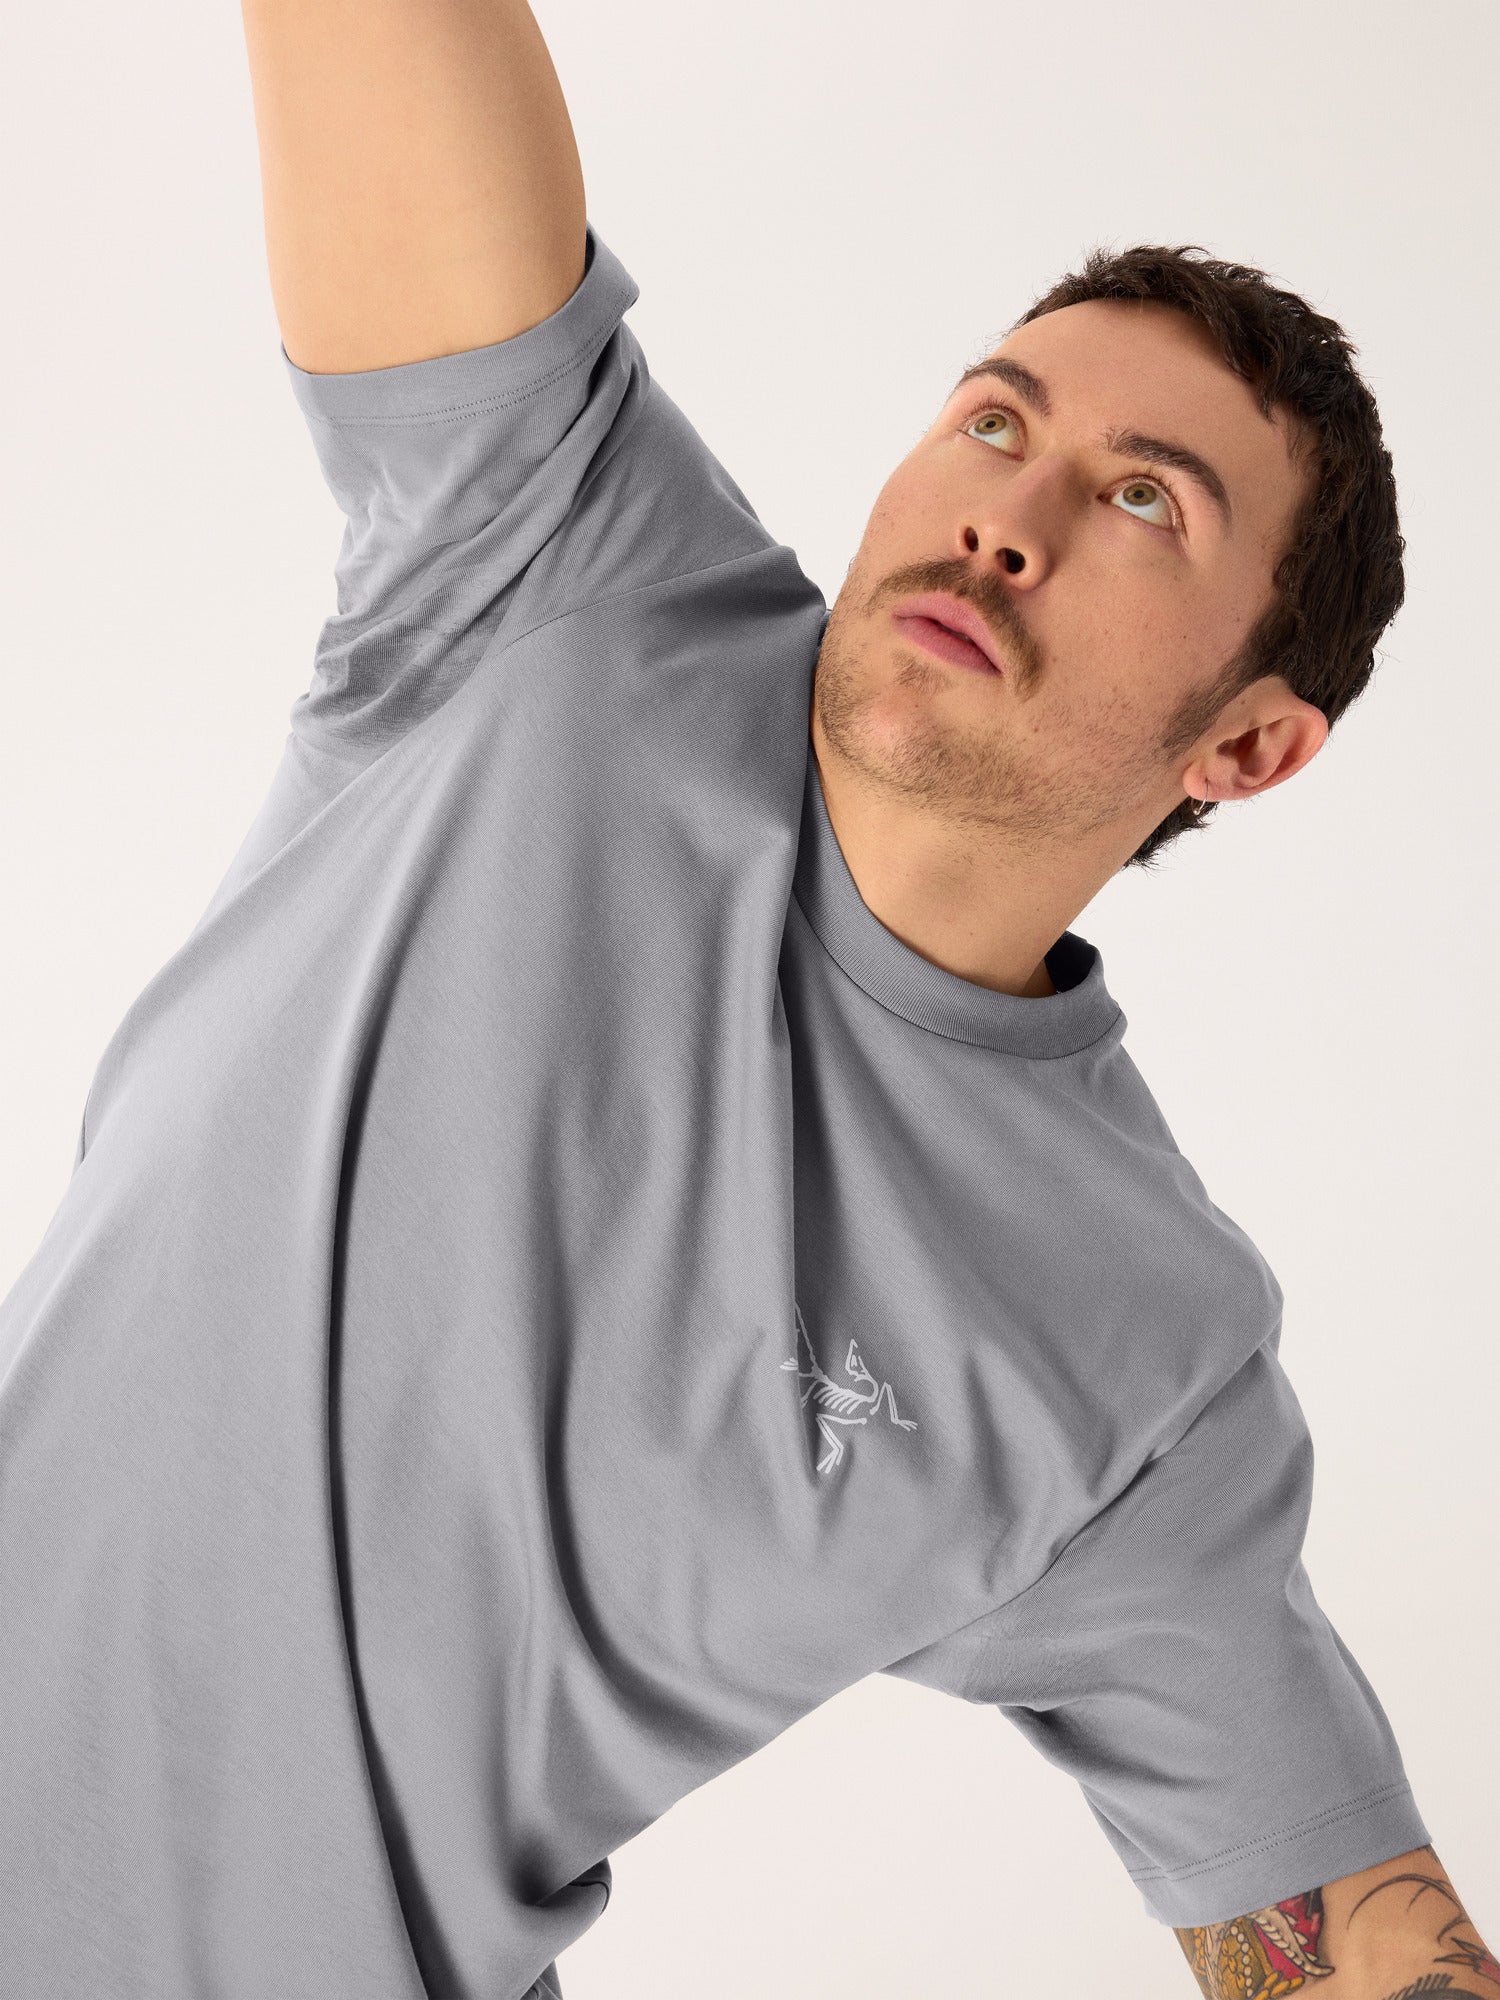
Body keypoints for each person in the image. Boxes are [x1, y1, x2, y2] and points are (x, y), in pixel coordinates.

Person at [0, 3, 1489, 1997]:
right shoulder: (554, 577)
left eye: (1147, 499)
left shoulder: (1136, 1364)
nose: (1010, 514)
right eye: (997, 420)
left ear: (1250, 745)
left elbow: (1350, 1942)